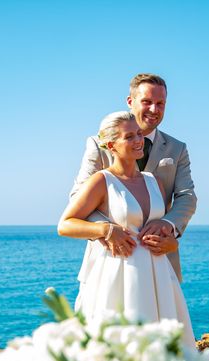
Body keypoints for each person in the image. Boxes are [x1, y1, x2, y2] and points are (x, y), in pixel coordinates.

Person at [59, 112, 195, 347]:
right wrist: (106, 230)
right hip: (118, 276)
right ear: (111, 145)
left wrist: (172, 243)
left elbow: (165, 230)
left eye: (139, 134)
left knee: (165, 347)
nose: (138, 140)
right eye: (129, 136)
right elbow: (65, 224)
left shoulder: (154, 181)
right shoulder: (102, 181)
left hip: (159, 276)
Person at [70, 73, 196, 282]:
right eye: (147, 102)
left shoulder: (177, 148)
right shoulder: (99, 143)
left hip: (160, 258)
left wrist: (168, 224)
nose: (154, 110)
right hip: (113, 258)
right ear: (130, 101)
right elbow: (78, 196)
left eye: (160, 103)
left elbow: (187, 196)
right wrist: (109, 230)